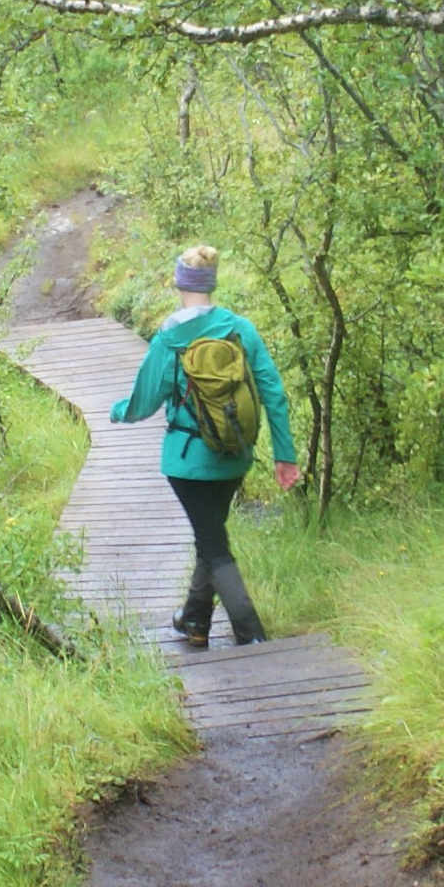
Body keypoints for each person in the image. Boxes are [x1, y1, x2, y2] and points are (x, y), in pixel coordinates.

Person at [109, 244, 300, 648]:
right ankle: (194, 621)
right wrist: (284, 456)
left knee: (214, 545)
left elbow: (143, 402)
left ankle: (252, 635)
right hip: (234, 458)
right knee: (209, 536)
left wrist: (118, 411)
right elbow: (273, 393)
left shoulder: (169, 338)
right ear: (211, 284)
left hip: (186, 463)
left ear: (180, 283)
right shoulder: (240, 329)